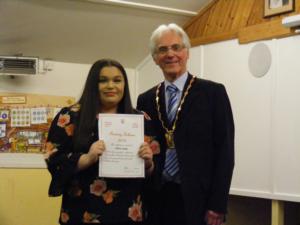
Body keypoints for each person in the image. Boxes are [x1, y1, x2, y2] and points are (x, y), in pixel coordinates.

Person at [137, 23, 235, 225]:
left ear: (187, 53)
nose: (170, 54)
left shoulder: (213, 93)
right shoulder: (145, 99)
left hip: (199, 200)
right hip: (156, 197)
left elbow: (225, 152)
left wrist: (217, 204)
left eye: (176, 47)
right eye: (162, 49)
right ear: (155, 58)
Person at [44, 59, 155, 225]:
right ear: (92, 84)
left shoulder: (141, 119)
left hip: (128, 214)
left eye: (117, 80)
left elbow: (156, 172)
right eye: (103, 80)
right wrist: (87, 159)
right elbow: (53, 158)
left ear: (124, 85)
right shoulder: (70, 116)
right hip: (81, 212)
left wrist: (148, 162)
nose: (111, 86)